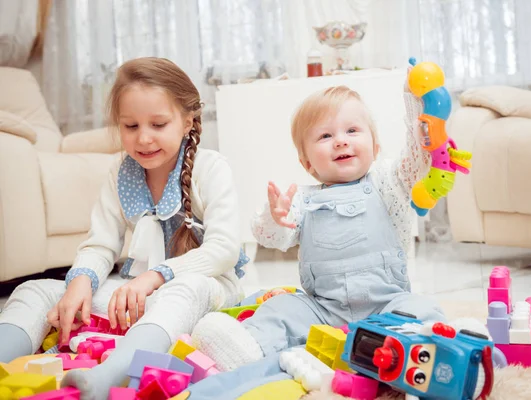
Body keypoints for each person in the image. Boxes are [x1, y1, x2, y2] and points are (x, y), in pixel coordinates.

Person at [0, 57, 247, 399]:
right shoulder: (121, 173)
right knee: (37, 290)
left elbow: (223, 250)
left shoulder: (212, 168)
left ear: (187, 121)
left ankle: (110, 375)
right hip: (140, 293)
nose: (144, 139)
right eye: (131, 127)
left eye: (158, 124)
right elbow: (100, 245)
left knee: (182, 291)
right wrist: (81, 282)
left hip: (205, 290)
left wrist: (156, 276)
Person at [190, 74, 449, 371]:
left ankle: (432, 343)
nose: (340, 141)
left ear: (375, 147)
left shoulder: (388, 183)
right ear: (308, 163)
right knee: (280, 309)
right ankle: (246, 347)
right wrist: (276, 217)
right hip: (323, 310)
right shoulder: (301, 198)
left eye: (352, 130)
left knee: (422, 309)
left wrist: (417, 102)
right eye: (325, 136)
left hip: (387, 306)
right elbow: (269, 237)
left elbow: (419, 159)